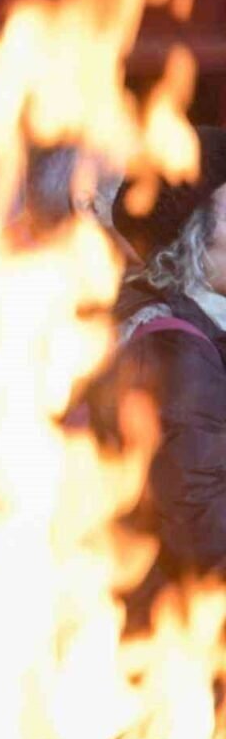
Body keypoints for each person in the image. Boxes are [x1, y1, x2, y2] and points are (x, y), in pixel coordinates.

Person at [107, 125, 226, 578]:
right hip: (176, 628)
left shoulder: (201, 326)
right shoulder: (174, 348)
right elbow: (200, 528)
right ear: (194, 238)